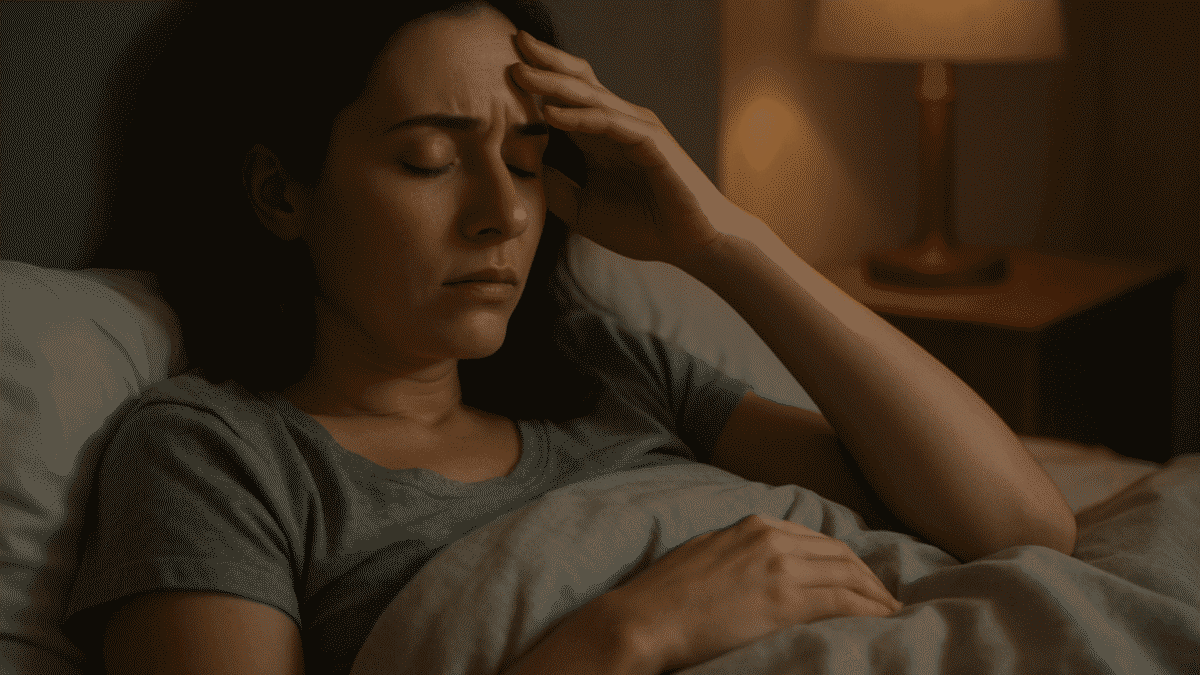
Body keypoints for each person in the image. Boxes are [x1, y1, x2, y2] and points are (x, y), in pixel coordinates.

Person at [67, 1, 1077, 674]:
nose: (501, 213)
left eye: (526, 158)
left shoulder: (606, 367)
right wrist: (632, 632)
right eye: (429, 160)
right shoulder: (213, 453)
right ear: (282, 193)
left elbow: (1018, 523)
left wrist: (727, 239)